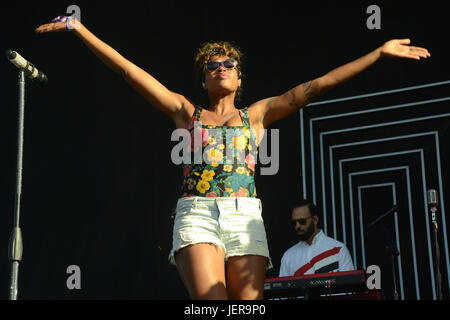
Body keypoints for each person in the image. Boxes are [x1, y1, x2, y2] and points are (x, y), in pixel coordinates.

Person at [35, 15, 430, 300]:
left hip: (245, 216)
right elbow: (128, 72)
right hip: (198, 213)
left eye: (229, 64)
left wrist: (378, 53)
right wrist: (80, 28)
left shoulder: (255, 114)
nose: (221, 68)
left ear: (239, 77)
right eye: (212, 65)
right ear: (203, 78)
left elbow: (315, 87)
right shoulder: (183, 111)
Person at [279, 200, 354, 277]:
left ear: (315, 220)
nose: (297, 226)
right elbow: (284, 288)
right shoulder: (288, 256)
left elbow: (349, 284)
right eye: (294, 223)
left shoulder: (339, 249)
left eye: (302, 221)